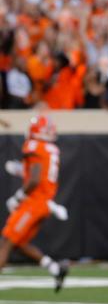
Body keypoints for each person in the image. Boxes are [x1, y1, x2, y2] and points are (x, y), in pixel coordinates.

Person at [0, 115, 68, 290]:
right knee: (18, 243)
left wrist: (18, 197)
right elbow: (38, 174)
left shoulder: (34, 146)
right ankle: (55, 268)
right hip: (45, 203)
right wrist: (21, 170)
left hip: (34, 202)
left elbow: (35, 180)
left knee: (6, 241)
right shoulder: (51, 149)